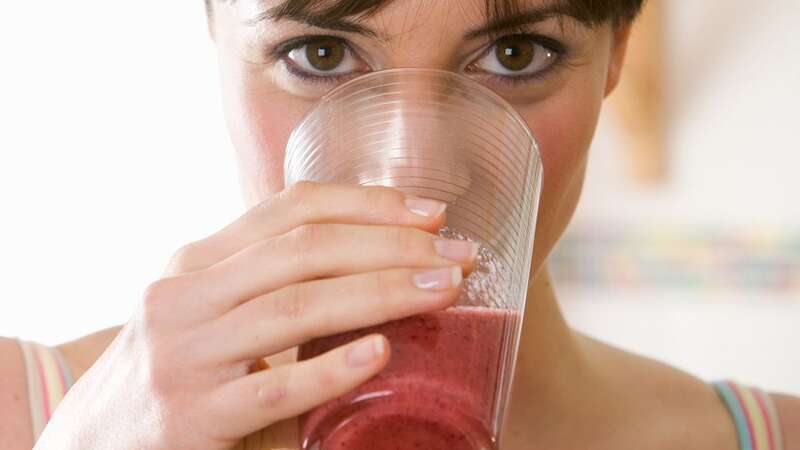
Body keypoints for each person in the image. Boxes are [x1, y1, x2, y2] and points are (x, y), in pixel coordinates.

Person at [1, 0, 797, 449]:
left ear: (617, 50)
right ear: (212, 22)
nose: (418, 172)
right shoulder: (24, 412)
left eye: (517, 54)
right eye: (319, 53)